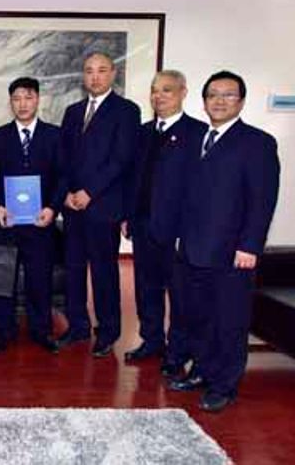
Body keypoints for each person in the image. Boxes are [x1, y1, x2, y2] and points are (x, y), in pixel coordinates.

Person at [169, 71, 279, 413]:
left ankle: (225, 385)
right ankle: (202, 370)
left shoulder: (257, 143)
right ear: (203, 102)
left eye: (228, 95)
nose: (219, 101)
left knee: (229, 321)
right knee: (199, 317)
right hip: (192, 249)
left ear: (241, 102)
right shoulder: (197, 139)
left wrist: (250, 246)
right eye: (213, 95)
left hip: (232, 253)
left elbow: (262, 201)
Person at [122, 70, 206, 377]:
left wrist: (190, 229)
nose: (159, 96)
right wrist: (128, 216)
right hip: (143, 224)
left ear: (183, 92)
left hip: (177, 230)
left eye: (167, 90)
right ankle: (152, 340)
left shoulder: (198, 133)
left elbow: (201, 188)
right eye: (155, 90)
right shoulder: (143, 132)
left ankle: (178, 351)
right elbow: (134, 179)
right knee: (146, 288)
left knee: (180, 293)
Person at [59, 52, 140, 357]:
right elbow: (63, 157)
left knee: (103, 271)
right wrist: (67, 193)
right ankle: (78, 326)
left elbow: (121, 158)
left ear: (113, 74)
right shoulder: (72, 111)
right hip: (72, 206)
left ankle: (108, 331)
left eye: (102, 70)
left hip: (103, 205)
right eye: (89, 71)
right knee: (74, 269)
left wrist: (89, 192)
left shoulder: (126, 110)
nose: (95, 76)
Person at [0, 76, 64, 354]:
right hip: (6, 222)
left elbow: (62, 177)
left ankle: (41, 331)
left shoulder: (54, 136)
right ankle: (3, 333)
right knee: (3, 280)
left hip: (41, 222)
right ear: (11, 102)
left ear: (38, 99)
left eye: (28, 97)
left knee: (39, 279)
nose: (23, 104)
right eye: (17, 98)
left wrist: (52, 207)